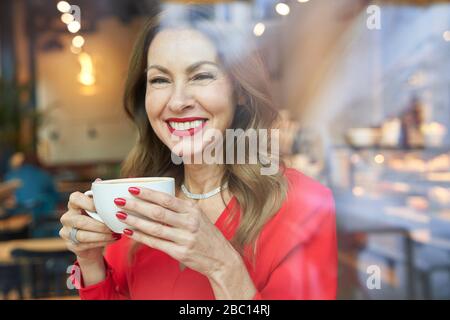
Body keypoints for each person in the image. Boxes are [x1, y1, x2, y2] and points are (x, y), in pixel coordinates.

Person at [59, 7, 337, 300]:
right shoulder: (137, 200)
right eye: (160, 80)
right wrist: (90, 261)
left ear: (240, 91)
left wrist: (222, 265)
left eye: (201, 76)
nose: (177, 102)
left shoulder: (304, 207)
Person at [4, 152, 60, 237]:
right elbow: (56, 196)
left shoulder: (10, 175)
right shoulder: (44, 175)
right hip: (41, 214)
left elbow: (8, 200)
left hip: (19, 214)